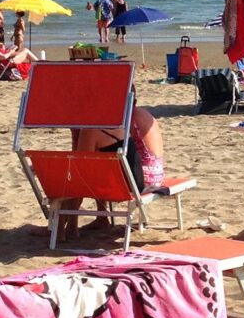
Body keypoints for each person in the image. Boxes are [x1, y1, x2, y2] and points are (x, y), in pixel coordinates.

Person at [61, 95, 166, 239]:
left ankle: (65, 227)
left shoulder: (121, 121)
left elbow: (82, 165)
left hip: (133, 182)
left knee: (76, 177)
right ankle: (100, 218)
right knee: (99, 165)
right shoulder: (134, 118)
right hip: (147, 175)